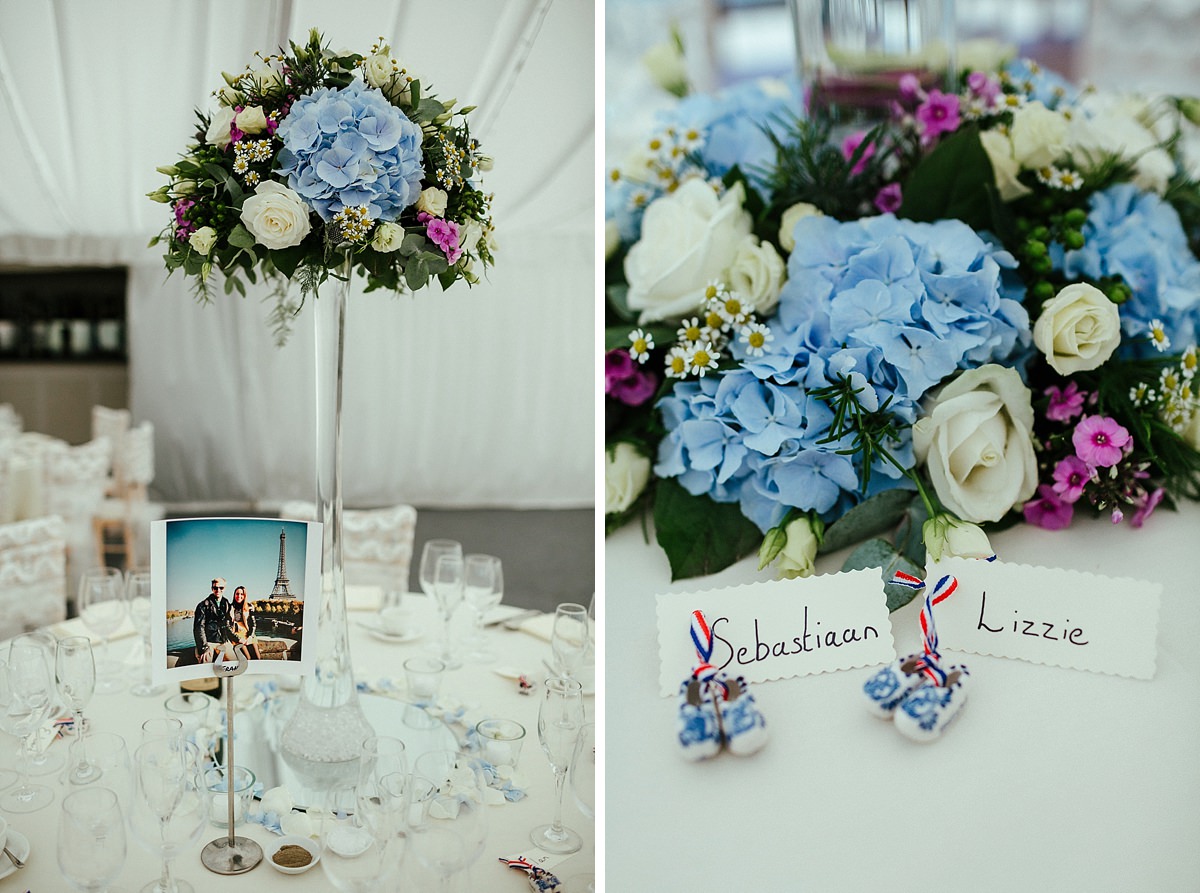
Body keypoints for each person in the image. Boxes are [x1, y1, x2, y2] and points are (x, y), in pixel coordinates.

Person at [193, 577, 235, 663]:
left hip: (223, 641)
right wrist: (204, 647)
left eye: (221, 588)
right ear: (212, 588)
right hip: (208, 642)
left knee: (234, 663)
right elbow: (199, 628)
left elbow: (228, 624)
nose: (218, 590)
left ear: (225, 588)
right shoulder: (203, 605)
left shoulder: (226, 603)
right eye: (215, 588)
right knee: (205, 664)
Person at [228, 585, 261, 661]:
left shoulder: (249, 606)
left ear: (244, 595)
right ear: (234, 595)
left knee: (257, 658)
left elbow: (253, 624)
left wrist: (250, 636)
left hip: (248, 633)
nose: (239, 596)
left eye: (241, 594)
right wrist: (237, 638)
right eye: (237, 594)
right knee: (247, 658)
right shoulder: (230, 607)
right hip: (237, 634)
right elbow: (228, 626)